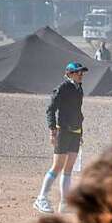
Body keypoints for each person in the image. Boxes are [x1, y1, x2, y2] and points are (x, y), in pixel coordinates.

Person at [34, 62, 87, 214]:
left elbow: (78, 112)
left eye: (82, 72)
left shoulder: (79, 88)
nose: (81, 74)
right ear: (69, 74)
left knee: (69, 168)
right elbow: (50, 109)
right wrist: (52, 130)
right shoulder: (63, 88)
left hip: (75, 132)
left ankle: (64, 204)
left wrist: (81, 132)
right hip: (63, 131)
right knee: (57, 167)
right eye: (78, 72)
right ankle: (41, 198)